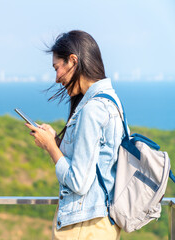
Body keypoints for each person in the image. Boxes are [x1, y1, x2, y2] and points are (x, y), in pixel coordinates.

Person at [25, 30, 123, 239]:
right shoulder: (111, 101)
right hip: (100, 224)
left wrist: (51, 147)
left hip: (83, 227)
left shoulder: (92, 109)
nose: (57, 78)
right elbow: (92, 162)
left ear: (73, 60)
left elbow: (78, 182)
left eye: (57, 68)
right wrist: (56, 141)